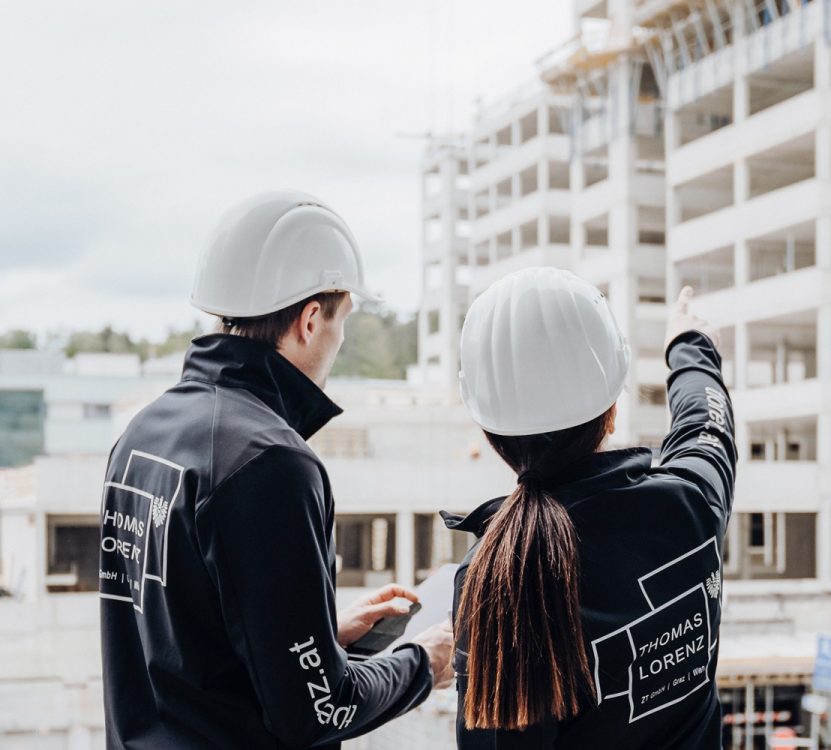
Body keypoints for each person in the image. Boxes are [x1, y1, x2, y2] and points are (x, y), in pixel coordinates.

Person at [99, 191, 455, 748]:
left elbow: (183, 655)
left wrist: (318, 638)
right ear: (311, 320)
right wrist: (422, 664)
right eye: (343, 325)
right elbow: (320, 711)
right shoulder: (270, 463)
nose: (339, 343)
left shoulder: (143, 436)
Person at [442, 267, 735, 749]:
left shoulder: (497, 576)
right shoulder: (688, 505)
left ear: (490, 434)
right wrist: (691, 345)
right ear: (612, 411)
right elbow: (707, 428)